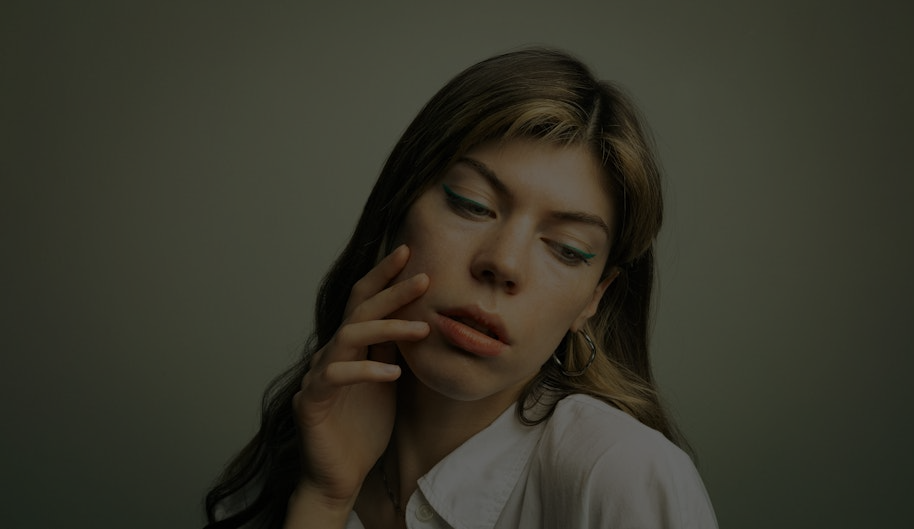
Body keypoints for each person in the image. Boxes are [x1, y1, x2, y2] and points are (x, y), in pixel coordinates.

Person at [203, 47, 718, 529]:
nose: (503, 263)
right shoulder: (291, 461)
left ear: (594, 298)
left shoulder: (624, 475)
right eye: (473, 204)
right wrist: (324, 498)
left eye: (567, 248)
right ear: (397, 208)